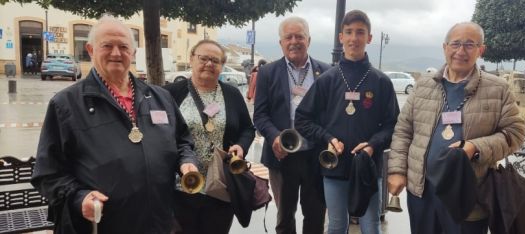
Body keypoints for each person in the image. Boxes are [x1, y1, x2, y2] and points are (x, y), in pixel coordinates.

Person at [31, 15, 199, 234]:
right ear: (91, 50)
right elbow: (48, 174)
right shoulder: (65, 104)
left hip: (159, 222)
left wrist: (187, 161)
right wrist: (79, 197)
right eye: (107, 46)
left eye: (123, 46)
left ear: (133, 53)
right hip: (102, 226)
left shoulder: (160, 97)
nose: (116, 53)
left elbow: (183, 142)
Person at [387, 22, 525, 234]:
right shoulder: (424, 85)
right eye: (456, 44)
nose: (461, 51)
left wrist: (474, 147)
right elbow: (403, 130)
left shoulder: (498, 89)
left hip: (469, 195)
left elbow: (514, 134)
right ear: (445, 47)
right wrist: (397, 170)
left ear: (481, 50)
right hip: (422, 192)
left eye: (470, 45)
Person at [295, 10, 400, 234]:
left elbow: (393, 125)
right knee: (336, 225)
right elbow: (302, 119)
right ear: (340, 37)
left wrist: (372, 145)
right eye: (349, 32)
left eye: (360, 32)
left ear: (369, 38)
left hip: (368, 167)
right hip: (334, 166)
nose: (354, 38)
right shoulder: (326, 80)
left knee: (371, 226)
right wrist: (328, 138)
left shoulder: (381, 81)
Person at [165, 39, 255, 234]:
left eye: (215, 60)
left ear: (222, 66)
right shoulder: (170, 93)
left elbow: (248, 129)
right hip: (180, 186)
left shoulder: (231, 94)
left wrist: (241, 146)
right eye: (203, 58)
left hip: (220, 185)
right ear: (191, 59)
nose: (209, 64)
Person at [253, 16, 331, 234]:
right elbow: (259, 115)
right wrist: (274, 136)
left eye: (300, 36)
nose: (294, 41)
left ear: (309, 40)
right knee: (284, 217)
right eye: (289, 37)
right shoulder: (268, 73)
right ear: (281, 42)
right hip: (282, 157)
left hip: (315, 155)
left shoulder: (325, 71)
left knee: (315, 214)